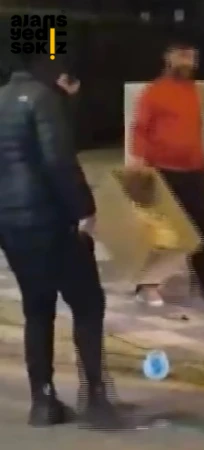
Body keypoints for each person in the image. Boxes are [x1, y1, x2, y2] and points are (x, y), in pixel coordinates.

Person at [0, 55, 125, 429]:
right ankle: (96, 396)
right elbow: (59, 162)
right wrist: (85, 211)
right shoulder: (45, 100)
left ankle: (43, 401)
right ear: (63, 78)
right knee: (88, 303)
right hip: (52, 223)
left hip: (11, 227)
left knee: (37, 310)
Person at [129, 39, 204, 306]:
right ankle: (147, 286)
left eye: (192, 57)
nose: (187, 62)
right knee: (161, 233)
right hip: (163, 171)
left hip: (194, 170)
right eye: (182, 56)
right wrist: (140, 161)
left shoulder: (194, 91)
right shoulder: (153, 92)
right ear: (168, 58)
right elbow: (139, 129)